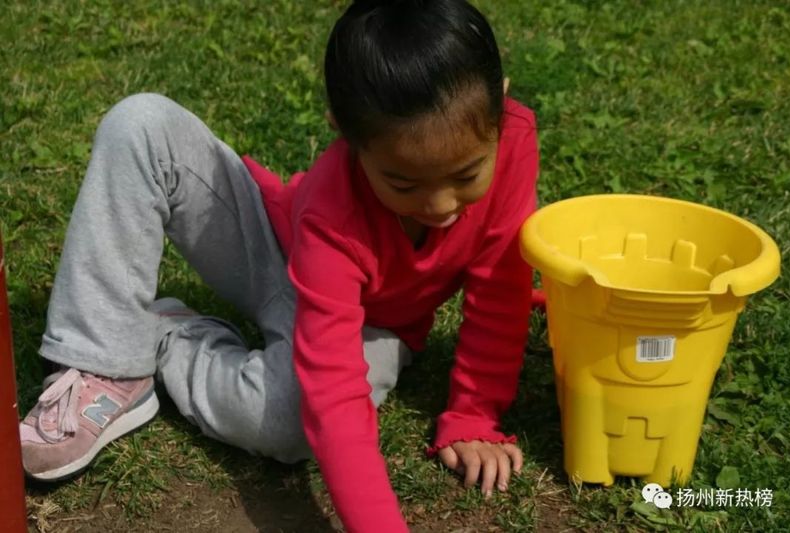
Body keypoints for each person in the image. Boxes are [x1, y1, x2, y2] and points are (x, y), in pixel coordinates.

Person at [19, 0, 539, 530]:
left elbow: (501, 285)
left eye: (466, 174)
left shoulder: (516, 140)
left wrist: (474, 414)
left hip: (370, 323)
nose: (440, 204)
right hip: (275, 247)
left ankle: (162, 336)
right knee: (141, 123)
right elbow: (337, 397)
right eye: (403, 183)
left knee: (289, 425)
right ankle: (107, 362)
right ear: (345, 132)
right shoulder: (332, 211)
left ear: (500, 106)